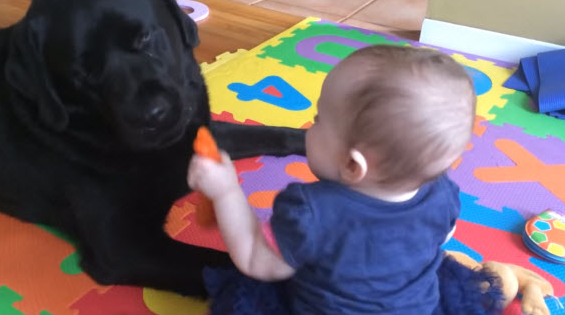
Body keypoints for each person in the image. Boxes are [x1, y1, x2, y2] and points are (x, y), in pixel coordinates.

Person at [188, 45, 535, 314]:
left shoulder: (309, 211)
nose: (311, 124)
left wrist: (226, 191)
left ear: (354, 166)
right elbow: (441, 236)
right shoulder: (442, 192)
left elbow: (254, 260)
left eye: (319, 119)